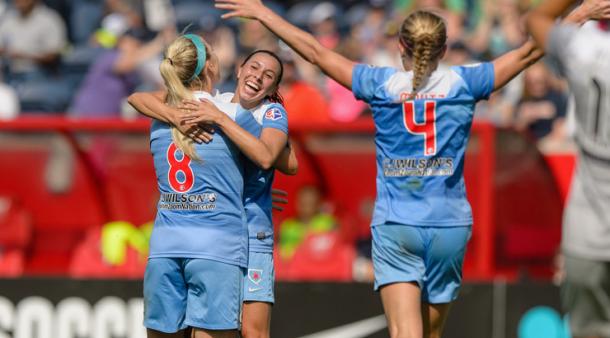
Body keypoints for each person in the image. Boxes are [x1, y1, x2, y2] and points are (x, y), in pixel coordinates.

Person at [214, 1, 609, 337]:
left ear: (400, 45)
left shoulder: (379, 83)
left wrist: (264, 13)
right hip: (448, 226)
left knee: (406, 333)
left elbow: (315, 52)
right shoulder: (465, 81)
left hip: (397, 224)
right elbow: (528, 51)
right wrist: (580, 15)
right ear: (444, 47)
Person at [129, 49, 297, 338]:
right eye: (254, 67)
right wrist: (174, 115)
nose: (258, 76)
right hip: (220, 231)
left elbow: (284, 162)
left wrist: (221, 121)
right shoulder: (217, 102)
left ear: (274, 88)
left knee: (252, 331)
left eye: (268, 75)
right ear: (240, 68)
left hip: (252, 233)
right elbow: (137, 98)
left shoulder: (269, 111)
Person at [136, 33, 246, 338]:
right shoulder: (231, 114)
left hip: (165, 247)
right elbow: (275, 157)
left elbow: (138, 98)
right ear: (209, 66)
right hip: (216, 247)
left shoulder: (158, 119)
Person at [527, 2, 610, 338]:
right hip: (588, 220)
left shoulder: (584, 47)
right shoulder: (584, 46)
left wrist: (584, 9)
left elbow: (534, 19)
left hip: (588, 220)